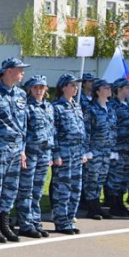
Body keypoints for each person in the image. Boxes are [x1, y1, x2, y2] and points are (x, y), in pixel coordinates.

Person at [0, 58, 29, 243]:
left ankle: (5, 222)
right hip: (0, 149)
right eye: (20, 70)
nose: (22, 73)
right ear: (9, 71)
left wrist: (23, 149)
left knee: (11, 188)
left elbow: (24, 125)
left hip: (16, 148)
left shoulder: (21, 94)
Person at [50, 74, 88, 234]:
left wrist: (84, 151)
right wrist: (56, 154)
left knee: (75, 188)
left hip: (77, 153)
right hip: (64, 154)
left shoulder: (76, 106)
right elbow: (54, 133)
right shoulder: (56, 107)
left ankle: (69, 218)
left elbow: (82, 131)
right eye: (72, 85)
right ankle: (61, 221)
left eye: (76, 85)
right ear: (63, 87)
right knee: (62, 189)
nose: (76, 88)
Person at [17, 75, 54, 238]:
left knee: (38, 190)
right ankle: (25, 223)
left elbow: (52, 130)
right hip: (31, 152)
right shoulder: (26, 108)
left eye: (42, 87)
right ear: (30, 89)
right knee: (27, 189)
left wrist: (51, 154)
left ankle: (35, 221)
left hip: (44, 153)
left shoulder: (49, 107)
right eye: (36, 87)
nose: (39, 90)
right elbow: (22, 132)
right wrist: (22, 151)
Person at [82, 79, 117, 220]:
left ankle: (97, 206)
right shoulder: (91, 110)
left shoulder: (111, 109)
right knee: (92, 179)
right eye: (105, 87)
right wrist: (86, 150)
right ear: (97, 91)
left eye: (109, 87)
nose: (109, 89)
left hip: (106, 150)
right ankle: (92, 208)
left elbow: (114, 130)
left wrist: (113, 149)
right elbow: (86, 131)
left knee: (101, 179)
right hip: (94, 150)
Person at [104, 78, 129, 217]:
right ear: (118, 89)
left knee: (126, 177)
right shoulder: (112, 105)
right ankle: (114, 205)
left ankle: (121, 204)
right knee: (115, 178)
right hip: (118, 147)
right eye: (126, 87)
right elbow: (110, 127)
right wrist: (112, 148)